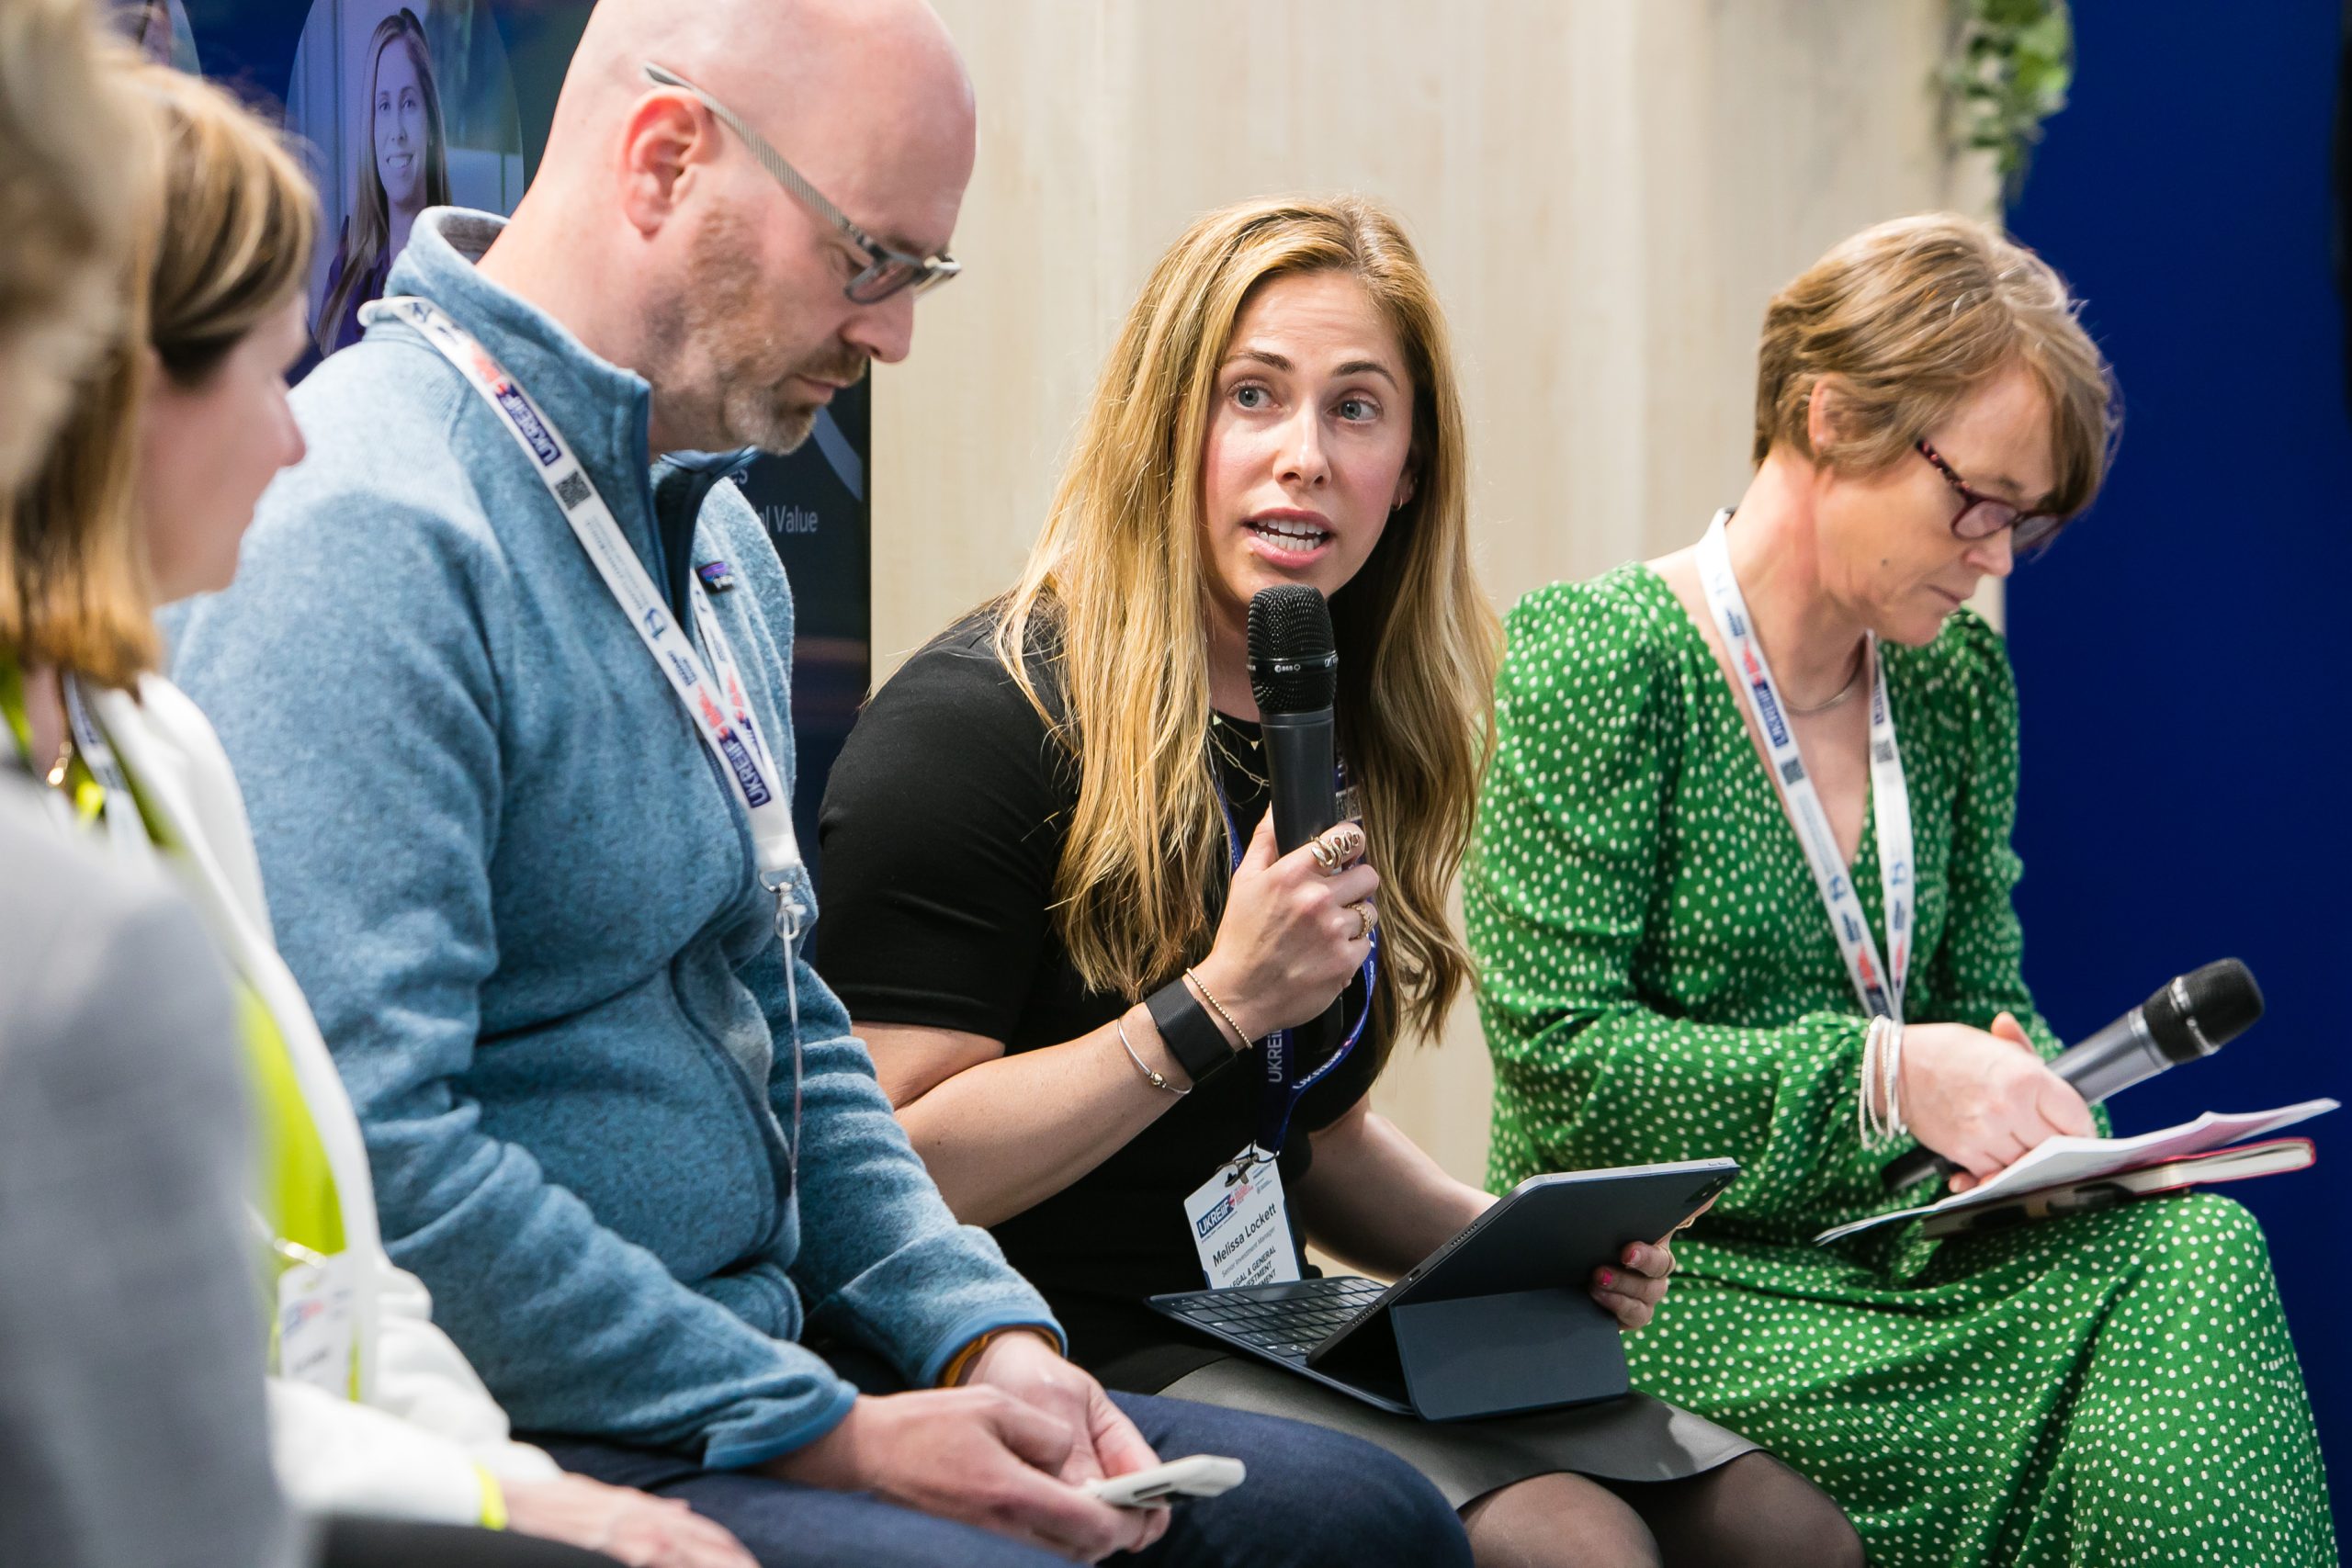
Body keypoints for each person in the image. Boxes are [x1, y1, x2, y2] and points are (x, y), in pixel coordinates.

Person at [171, 4, 1473, 1564]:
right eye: (868, 259)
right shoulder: (375, 525)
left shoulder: (719, 544)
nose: (893, 335)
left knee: (1369, 1520)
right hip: (535, 1419)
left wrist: (987, 1337)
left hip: (767, 1358)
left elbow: (794, 1037)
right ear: (666, 161)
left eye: (919, 274)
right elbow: (383, 1162)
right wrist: (830, 1428)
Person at [813, 195, 1860, 1568]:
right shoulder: (979, 722)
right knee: (1572, 1543)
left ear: (1409, 468)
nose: (1303, 456)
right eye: (1252, 396)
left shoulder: (1325, 718)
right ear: (1165, 426)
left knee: (1783, 1530)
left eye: (1356, 409)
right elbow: (885, 1173)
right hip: (1039, 1330)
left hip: (1265, 1313)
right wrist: (1210, 1006)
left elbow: (1307, 1131)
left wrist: (1513, 1245)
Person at [1465, 212, 2336, 1567]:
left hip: (1908, 1253)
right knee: (2134, 1360)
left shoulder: (1952, 684)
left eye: (2025, 522)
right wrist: (1883, 1077)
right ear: (1830, 418)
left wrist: (2041, 1131)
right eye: (1978, 501)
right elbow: (1563, 1069)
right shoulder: (1606, 659)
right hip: (1672, 1287)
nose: (1997, 555)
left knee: (2197, 1248)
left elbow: (1983, 1001)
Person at [6, 58, 752, 1568]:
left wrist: (508, 1482)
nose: (295, 439)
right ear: (115, 397)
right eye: (264, 376)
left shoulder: (154, 747)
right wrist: (496, 1500)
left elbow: (338, 1272)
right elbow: (124, 1384)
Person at [312, 6, 449, 359]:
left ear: (431, 125)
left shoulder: (460, 267)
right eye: (384, 107)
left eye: (409, 103)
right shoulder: (348, 266)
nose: (396, 132)